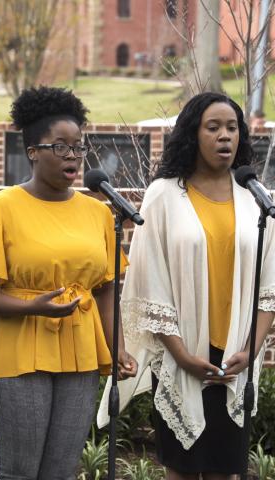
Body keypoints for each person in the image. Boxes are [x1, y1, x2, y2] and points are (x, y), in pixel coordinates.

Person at [0, 86, 138, 479]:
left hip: (79, 347)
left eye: (78, 146)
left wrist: (117, 345)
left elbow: (106, 287)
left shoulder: (97, 213)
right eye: (60, 146)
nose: (73, 155)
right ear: (33, 151)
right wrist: (32, 307)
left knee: (61, 470)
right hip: (18, 347)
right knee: (20, 471)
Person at [100, 92, 275, 479]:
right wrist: (180, 355)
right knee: (181, 469)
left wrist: (251, 348)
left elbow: (270, 288)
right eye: (212, 128)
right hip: (182, 354)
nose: (224, 136)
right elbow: (149, 282)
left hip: (235, 358)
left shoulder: (254, 197)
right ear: (192, 135)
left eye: (232, 128)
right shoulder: (164, 195)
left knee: (226, 470)